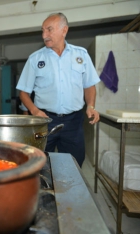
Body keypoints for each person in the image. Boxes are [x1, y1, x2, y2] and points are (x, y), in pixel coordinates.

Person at [16, 12, 100, 167]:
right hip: (45, 120)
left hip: (73, 122)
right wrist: (34, 111)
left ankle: (69, 190)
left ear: (64, 30)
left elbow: (89, 85)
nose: (44, 35)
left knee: (74, 164)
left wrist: (91, 106)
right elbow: (23, 92)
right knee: (38, 163)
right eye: (42, 31)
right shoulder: (35, 58)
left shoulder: (81, 55)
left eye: (49, 30)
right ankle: (43, 191)